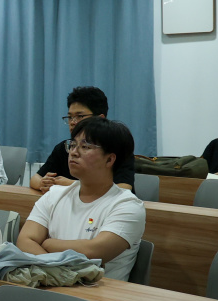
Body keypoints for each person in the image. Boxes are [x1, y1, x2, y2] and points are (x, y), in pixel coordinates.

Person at [17, 117, 145, 281]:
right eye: (72, 145)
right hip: (52, 285)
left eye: (85, 147)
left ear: (109, 159)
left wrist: (48, 243)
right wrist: (58, 273)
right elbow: (25, 240)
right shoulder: (54, 194)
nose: (74, 152)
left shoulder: (127, 206)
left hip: (99, 294)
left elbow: (93, 252)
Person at [32, 86, 134, 192]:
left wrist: (71, 185)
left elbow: (124, 188)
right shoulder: (65, 147)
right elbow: (35, 178)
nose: (73, 122)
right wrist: (43, 183)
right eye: (70, 117)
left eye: (80, 116)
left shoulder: (117, 148)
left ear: (100, 119)